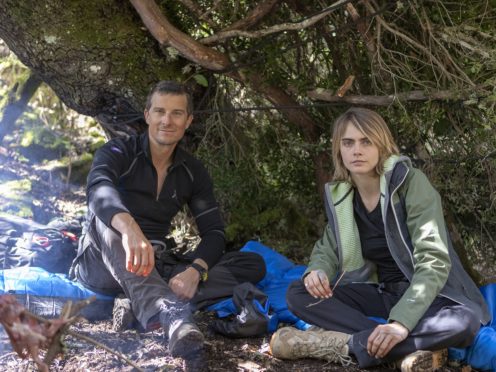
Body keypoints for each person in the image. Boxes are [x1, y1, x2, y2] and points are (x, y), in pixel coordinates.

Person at [269, 107, 490, 371]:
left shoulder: (409, 183)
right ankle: (397, 348)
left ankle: (346, 345)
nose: (356, 150)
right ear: (339, 149)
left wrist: (401, 323)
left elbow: (434, 260)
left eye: (366, 142)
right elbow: (328, 247)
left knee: (465, 322)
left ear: (381, 145)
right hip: (382, 292)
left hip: (432, 295)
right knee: (297, 293)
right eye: (348, 143)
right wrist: (317, 270)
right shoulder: (343, 195)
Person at [73, 80, 266, 366]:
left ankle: (135, 302)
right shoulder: (118, 151)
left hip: (155, 262)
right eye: (160, 111)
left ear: (188, 121)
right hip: (101, 262)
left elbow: (213, 232)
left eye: (176, 113)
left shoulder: (192, 171)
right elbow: (99, 189)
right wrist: (128, 228)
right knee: (106, 224)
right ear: (147, 114)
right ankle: (171, 315)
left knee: (252, 263)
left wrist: (195, 271)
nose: (167, 120)